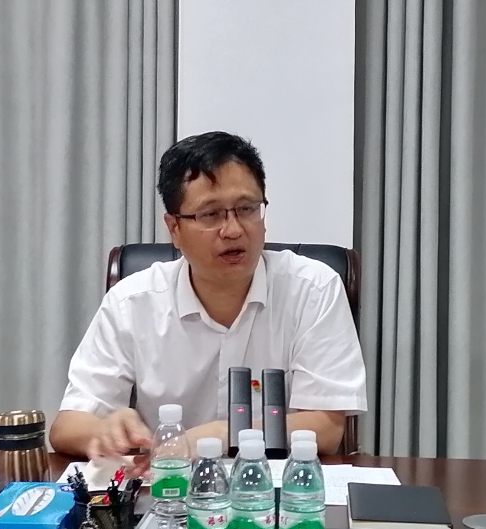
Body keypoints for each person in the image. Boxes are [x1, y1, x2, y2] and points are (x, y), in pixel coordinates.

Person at [50, 131, 366, 473]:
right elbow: (67, 426)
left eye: (247, 209)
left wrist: (221, 434)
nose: (233, 230)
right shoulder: (132, 303)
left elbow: (327, 428)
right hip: (169, 489)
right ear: (174, 228)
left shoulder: (313, 290)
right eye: (211, 214)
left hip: (276, 491)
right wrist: (105, 431)